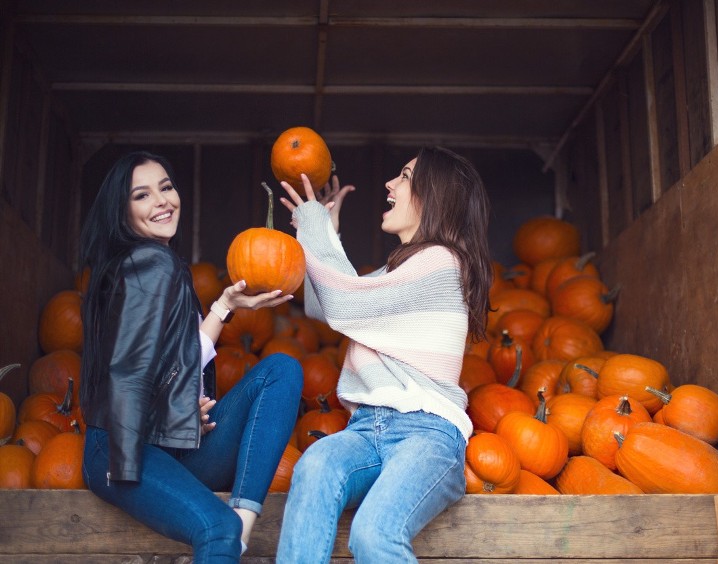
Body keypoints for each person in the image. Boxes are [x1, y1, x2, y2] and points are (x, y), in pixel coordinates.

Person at [78, 151, 304, 563]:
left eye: (166, 187)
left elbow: (178, 357)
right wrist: (174, 414)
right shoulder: (149, 263)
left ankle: (238, 531)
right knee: (216, 528)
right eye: (142, 195)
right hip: (122, 449)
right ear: (121, 212)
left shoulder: (154, 264)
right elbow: (127, 372)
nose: (162, 200)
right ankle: (230, 533)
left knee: (280, 370)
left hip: (171, 449)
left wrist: (224, 305)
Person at [275, 146, 492, 562]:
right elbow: (323, 306)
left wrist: (315, 224)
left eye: (406, 176)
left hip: (426, 435)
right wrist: (328, 234)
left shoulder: (441, 263)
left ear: (435, 195)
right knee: (315, 466)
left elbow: (344, 303)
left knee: (375, 533)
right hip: (366, 430)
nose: (390, 184)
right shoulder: (399, 271)